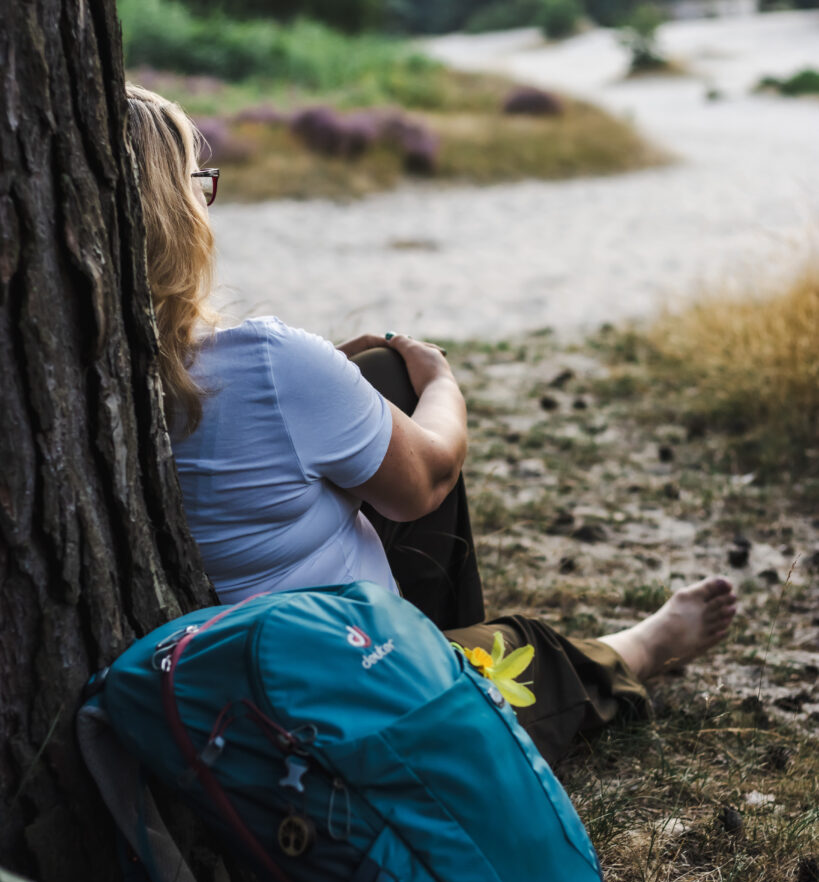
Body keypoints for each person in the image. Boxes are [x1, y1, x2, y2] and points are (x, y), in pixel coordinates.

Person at [126, 84, 737, 765]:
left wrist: (336, 386)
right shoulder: (267, 364)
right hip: (338, 697)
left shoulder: (97, 393)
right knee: (524, 651)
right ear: (174, 213)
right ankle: (637, 650)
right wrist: (440, 381)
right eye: (196, 187)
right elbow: (429, 477)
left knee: (377, 379)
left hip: (193, 683)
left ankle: (446, 637)